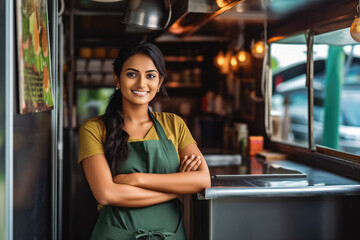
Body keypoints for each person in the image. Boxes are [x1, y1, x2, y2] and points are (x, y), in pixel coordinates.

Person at [78, 41, 211, 240]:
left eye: (150, 76)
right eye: (132, 74)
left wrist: (136, 179)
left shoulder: (174, 124)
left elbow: (202, 180)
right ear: (117, 79)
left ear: (159, 82)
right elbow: (107, 194)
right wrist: (175, 191)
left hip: (169, 235)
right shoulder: (94, 129)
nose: (141, 83)